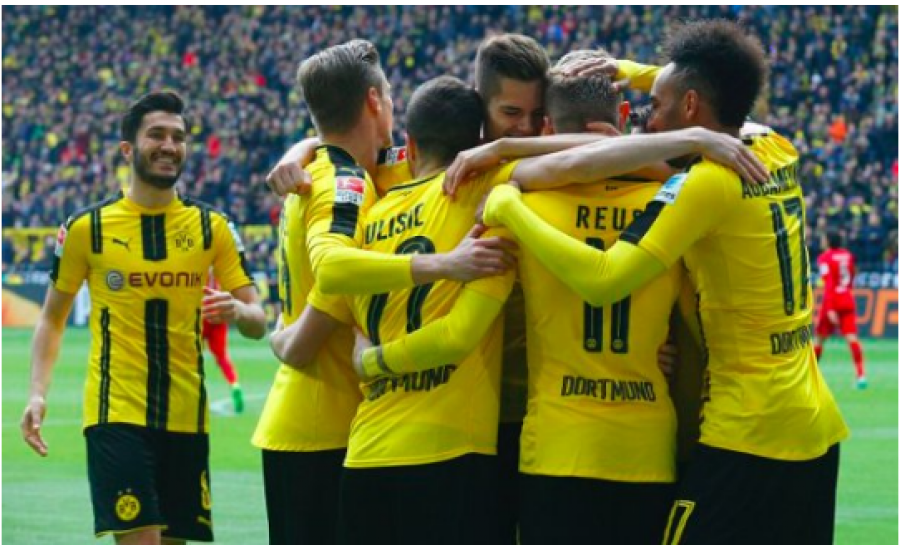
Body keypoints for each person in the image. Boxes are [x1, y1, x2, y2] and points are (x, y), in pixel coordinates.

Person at [478, 20, 849, 545]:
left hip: (749, 431)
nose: (649, 121)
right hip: (815, 427)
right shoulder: (774, 146)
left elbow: (606, 278)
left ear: (692, 106)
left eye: (655, 104)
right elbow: (719, 88)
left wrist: (508, 205)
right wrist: (627, 71)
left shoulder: (704, 184)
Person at [251, 40, 515, 545]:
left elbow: (427, 153)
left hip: (315, 422)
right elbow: (332, 276)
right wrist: (445, 265)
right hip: (325, 423)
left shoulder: (337, 169)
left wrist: (300, 147)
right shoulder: (343, 182)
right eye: (390, 96)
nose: (394, 107)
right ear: (374, 100)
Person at [20, 91, 268, 544]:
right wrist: (37, 393)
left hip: (187, 418)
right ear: (128, 148)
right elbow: (52, 319)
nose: (169, 145)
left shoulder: (213, 227)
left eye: (178, 137)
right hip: (115, 413)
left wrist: (238, 311)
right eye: (156, 134)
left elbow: (258, 321)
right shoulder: (87, 228)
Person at [815, 231, 867, 388]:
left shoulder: (824, 258)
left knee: (819, 339)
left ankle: (812, 376)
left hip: (831, 301)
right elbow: (852, 275)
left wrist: (830, 308)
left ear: (828, 241)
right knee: (852, 338)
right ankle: (861, 376)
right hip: (847, 298)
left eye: (823, 238)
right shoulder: (848, 255)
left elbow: (829, 282)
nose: (822, 241)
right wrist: (846, 290)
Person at [202, 271, 244, 413]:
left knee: (193, 357)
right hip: (219, 315)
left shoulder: (200, 267)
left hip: (203, 313)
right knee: (222, 357)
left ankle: (198, 393)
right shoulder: (220, 271)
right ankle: (234, 384)